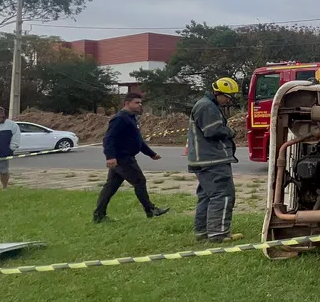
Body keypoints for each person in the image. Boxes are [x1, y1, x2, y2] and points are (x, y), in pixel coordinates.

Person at [94, 92, 169, 223]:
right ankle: (150, 210)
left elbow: (138, 141)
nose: (140, 105)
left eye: (140, 103)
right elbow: (108, 138)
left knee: (110, 187)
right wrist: (110, 157)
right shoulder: (120, 118)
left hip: (124, 157)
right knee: (140, 181)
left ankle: (99, 215)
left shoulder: (132, 118)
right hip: (123, 158)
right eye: (136, 102)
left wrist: (151, 154)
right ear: (127, 103)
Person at [187, 77, 243, 243]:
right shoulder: (207, 107)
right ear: (217, 93)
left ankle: (203, 232)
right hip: (212, 160)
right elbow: (213, 131)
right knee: (223, 195)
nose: (228, 100)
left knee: (207, 196)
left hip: (203, 160)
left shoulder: (206, 105)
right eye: (227, 96)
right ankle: (219, 234)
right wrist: (231, 132)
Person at [0, 106, 21, 190]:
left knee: (3, 172)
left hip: (2, 153)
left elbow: (16, 138)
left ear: (2, 114)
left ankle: (4, 188)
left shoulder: (11, 125)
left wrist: (11, 149)